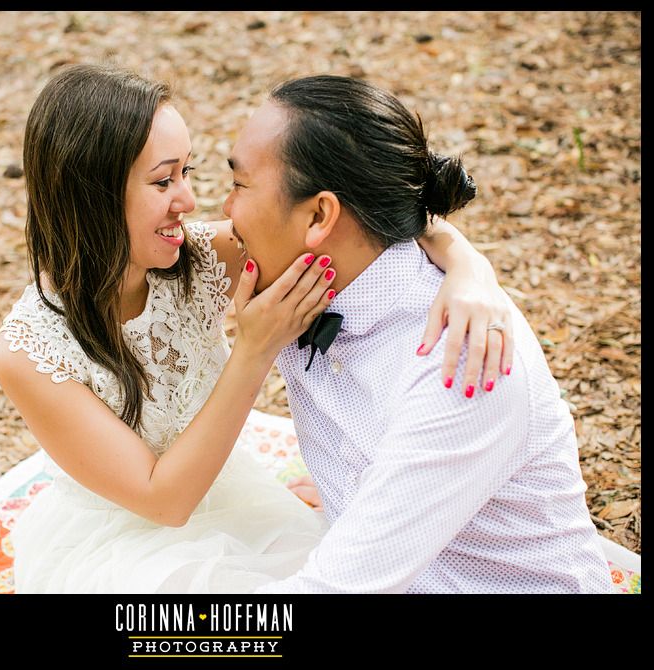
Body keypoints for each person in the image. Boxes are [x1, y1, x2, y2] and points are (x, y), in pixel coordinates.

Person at [0, 64, 514, 593]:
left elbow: (362, 213)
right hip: (121, 543)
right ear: (91, 193)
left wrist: (468, 266)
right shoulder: (29, 351)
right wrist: (255, 349)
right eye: (162, 180)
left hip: (232, 501)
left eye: (187, 172)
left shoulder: (197, 259)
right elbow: (163, 501)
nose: (189, 202)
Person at [218, 75, 614, 593]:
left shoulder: (461, 359)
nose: (225, 210)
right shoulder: (301, 282)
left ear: (319, 215)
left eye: (239, 184)